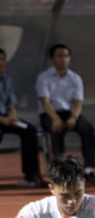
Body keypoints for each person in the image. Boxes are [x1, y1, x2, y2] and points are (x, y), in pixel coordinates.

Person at [0, 48, 44, 187]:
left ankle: (32, 174)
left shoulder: (7, 80)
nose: (1, 63)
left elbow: (10, 103)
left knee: (30, 131)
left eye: (3, 59)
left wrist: (12, 116)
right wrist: (2, 120)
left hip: (4, 118)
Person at [37, 44, 95, 183]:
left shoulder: (75, 78)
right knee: (56, 129)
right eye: (59, 56)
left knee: (87, 128)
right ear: (52, 59)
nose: (63, 59)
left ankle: (88, 169)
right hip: (50, 114)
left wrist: (73, 117)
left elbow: (78, 102)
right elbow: (45, 102)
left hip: (70, 113)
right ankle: (61, 170)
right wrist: (56, 119)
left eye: (66, 56)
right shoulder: (44, 78)